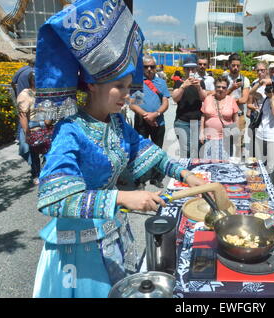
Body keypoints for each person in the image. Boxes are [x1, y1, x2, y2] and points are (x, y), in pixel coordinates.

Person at [31, 0, 209, 298]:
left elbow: (147, 151)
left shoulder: (115, 122)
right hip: (79, 250)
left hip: (114, 236)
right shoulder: (70, 130)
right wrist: (124, 196)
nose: (127, 96)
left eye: (129, 87)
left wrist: (185, 174)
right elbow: (54, 199)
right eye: (120, 87)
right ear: (91, 84)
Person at [129, 55, 170, 188]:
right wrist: (147, 116)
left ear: (156, 67)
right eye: (146, 67)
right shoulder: (138, 82)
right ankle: (140, 179)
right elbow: (133, 104)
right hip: (142, 122)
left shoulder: (161, 83)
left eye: (152, 66)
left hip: (159, 122)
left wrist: (156, 114)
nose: (149, 69)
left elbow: (165, 102)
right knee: (140, 151)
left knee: (158, 150)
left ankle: (156, 178)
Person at [172, 56, 207, 158]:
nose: (190, 71)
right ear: (184, 69)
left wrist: (199, 88)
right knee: (186, 149)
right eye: (187, 68)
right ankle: (185, 171)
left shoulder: (200, 82)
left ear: (196, 69)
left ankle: (196, 171)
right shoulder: (179, 83)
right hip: (182, 121)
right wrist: (183, 86)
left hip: (197, 121)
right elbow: (175, 98)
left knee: (198, 149)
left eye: (192, 68)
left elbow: (204, 98)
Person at [16, 71, 48, 185]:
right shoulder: (25, 94)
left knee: (47, 152)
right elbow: (23, 115)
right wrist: (26, 132)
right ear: (31, 80)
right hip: (32, 126)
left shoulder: (42, 92)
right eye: (36, 79)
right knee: (32, 153)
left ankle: (46, 172)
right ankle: (36, 174)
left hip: (46, 125)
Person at [200, 77, 239, 160]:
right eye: (218, 87)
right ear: (214, 87)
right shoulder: (208, 98)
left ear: (227, 88)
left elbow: (236, 117)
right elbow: (203, 116)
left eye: (224, 87)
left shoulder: (231, 100)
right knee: (209, 163)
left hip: (226, 138)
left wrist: (236, 132)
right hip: (209, 137)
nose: (221, 89)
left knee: (225, 163)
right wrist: (201, 132)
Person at [226, 53, 251, 158]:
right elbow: (219, 95)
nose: (236, 68)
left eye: (238, 65)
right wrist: (231, 88)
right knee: (226, 142)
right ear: (228, 65)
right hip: (225, 115)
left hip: (239, 115)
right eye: (233, 65)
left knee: (238, 143)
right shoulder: (224, 78)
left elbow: (244, 99)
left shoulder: (245, 80)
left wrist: (229, 99)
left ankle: (237, 164)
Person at [247, 61, 270, 156]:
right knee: (255, 142)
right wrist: (253, 108)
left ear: (267, 71)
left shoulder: (272, 82)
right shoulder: (255, 83)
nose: (260, 72)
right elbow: (250, 96)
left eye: (262, 70)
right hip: (257, 116)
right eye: (258, 71)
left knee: (266, 143)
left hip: (268, 116)